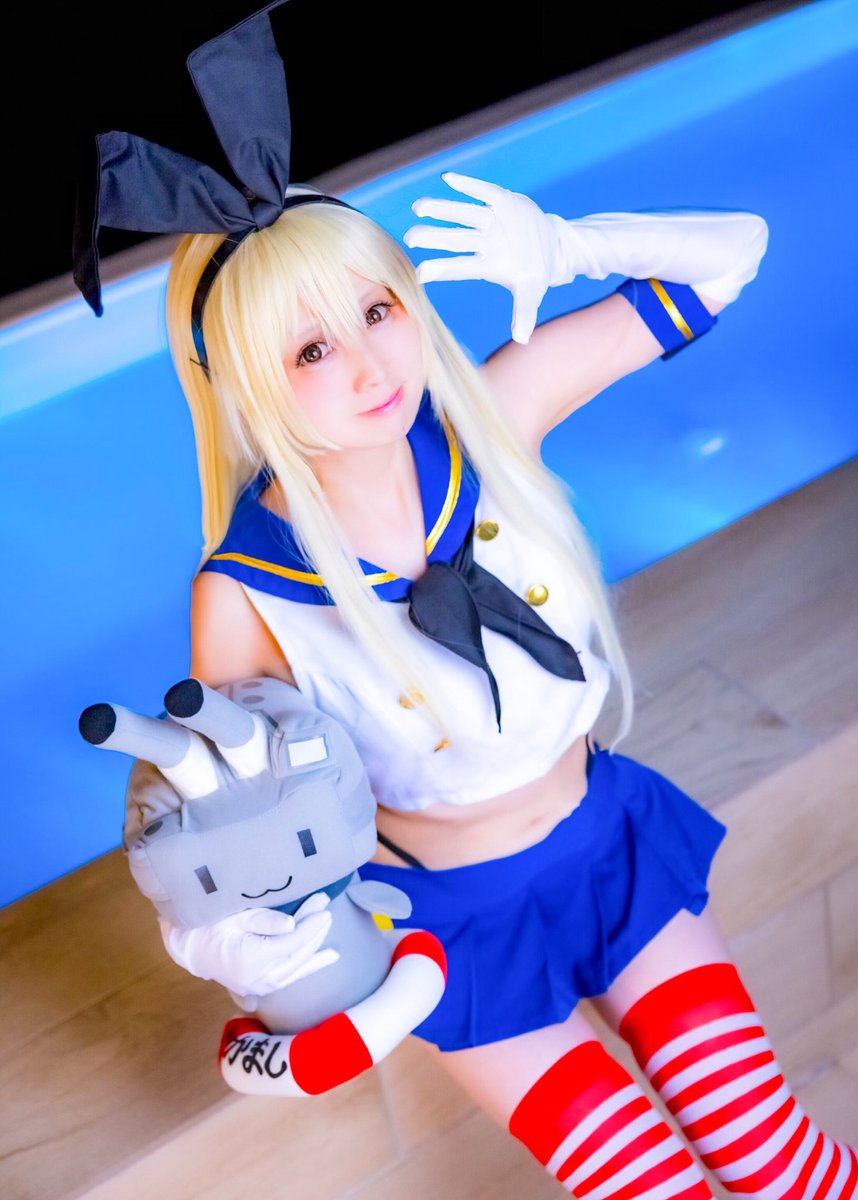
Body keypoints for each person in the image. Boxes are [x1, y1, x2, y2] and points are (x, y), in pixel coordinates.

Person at [74, 5, 856, 1196]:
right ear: (247, 385)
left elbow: (733, 256)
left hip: (608, 849)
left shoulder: (498, 415)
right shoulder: (244, 592)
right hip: (448, 930)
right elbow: (236, 821)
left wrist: (573, 243)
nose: (369, 365)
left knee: (772, 1152)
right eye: (310, 351)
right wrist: (255, 940)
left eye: (377, 311)